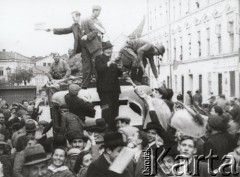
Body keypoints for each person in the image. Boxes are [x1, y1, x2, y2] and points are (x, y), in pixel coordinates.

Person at [95, 41, 122, 131]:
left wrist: (118, 67)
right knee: (106, 110)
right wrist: (110, 62)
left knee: (115, 110)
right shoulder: (99, 58)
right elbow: (99, 70)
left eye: (110, 49)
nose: (109, 51)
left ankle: (114, 130)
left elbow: (119, 74)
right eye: (107, 49)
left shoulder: (113, 59)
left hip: (114, 90)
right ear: (103, 50)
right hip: (104, 90)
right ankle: (105, 130)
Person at [81, 5, 105, 89]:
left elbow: (103, 31)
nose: (98, 14)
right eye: (98, 12)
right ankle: (84, 86)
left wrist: (89, 36)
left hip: (95, 47)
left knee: (97, 66)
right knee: (86, 68)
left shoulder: (98, 22)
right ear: (95, 11)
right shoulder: (86, 20)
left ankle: (101, 85)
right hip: (86, 46)